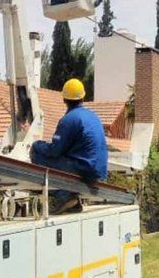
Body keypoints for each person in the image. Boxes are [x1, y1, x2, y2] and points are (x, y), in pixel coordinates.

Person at [31, 78, 108, 213]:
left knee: (37, 154)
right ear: (83, 97)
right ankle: (73, 202)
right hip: (99, 170)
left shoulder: (69, 120)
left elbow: (55, 151)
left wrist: (38, 145)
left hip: (84, 168)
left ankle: (63, 195)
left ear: (64, 99)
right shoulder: (93, 116)